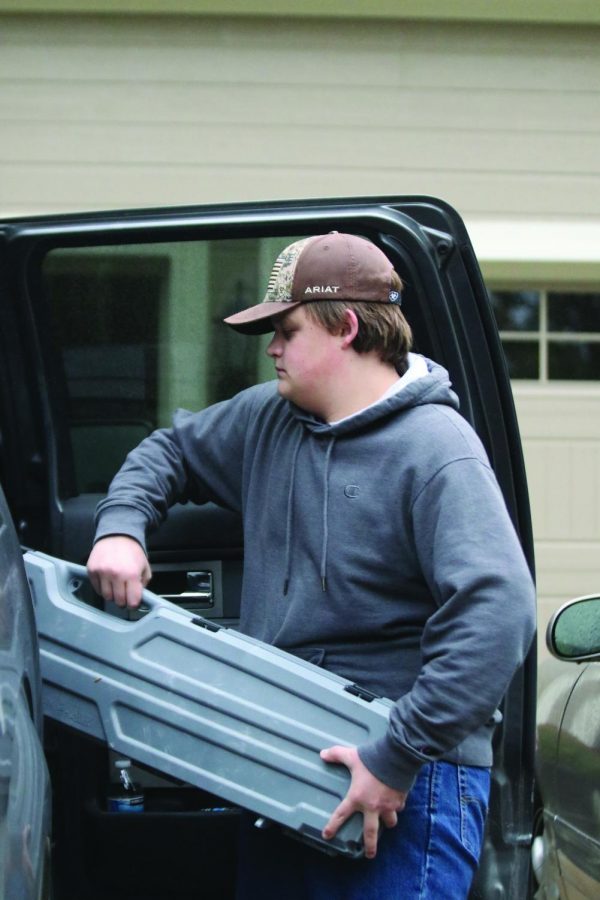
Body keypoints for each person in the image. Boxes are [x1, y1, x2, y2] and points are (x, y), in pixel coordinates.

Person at [87, 232, 536, 899]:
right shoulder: (269, 419)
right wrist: (121, 530)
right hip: (285, 750)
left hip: (406, 774)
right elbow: (167, 453)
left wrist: (396, 755)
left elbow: (499, 612)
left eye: (285, 330)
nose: (270, 347)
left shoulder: (438, 451)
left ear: (346, 326)